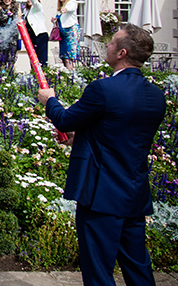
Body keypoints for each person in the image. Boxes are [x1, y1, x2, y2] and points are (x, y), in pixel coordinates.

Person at [38, 24, 166, 286]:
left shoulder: (104, 89)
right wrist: (83, 138)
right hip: (134, 192)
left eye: (111, 42)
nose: (106, 45)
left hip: (101, 193)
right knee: (138, 266)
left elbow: (64, 120)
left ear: (122, 52)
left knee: (98, 270)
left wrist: (49, 100)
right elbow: (123, 134)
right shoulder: (156, 95)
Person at [54, 0, 80, 70]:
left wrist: (65, 9)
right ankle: (68, 74)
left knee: (69, 56)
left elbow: (71, 8)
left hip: (71, 31)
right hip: (63, 34)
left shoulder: (71, 3)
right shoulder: (60, 8)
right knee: (63, 56)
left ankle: (71, 75)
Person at [21, 0, 49, 67]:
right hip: (31, 37)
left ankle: (43, 75)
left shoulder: (37, 8)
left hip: (40, 35)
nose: (28, 0)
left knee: (41, 59)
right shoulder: (26, 11)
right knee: (33, 58)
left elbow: (35, 3)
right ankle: (34, 75)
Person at [0, 0, 20, 65]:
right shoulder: (0, 9)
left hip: (12, 38)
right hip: (1, 37)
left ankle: (10, 76)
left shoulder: (16, 10)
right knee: (0, 59)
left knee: (11, 60)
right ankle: (0, 76)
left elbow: (19, 20)